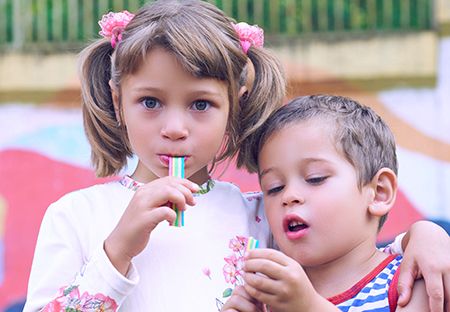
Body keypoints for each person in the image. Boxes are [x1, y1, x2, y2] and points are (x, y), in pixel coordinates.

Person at [23, 1, 449, 311]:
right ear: (119, 102)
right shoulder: (76, 216)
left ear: (236, 107)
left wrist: (426, 236)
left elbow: (353, 248)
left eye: (201, 104)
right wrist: (117, 251)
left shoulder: (264, 217)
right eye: (150, 102)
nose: (175, 127)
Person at [222, 95, 449, 312]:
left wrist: (309, 307)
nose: (288, 195)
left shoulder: (411, 280)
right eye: (274, 187)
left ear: (379, 192)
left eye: (315, 178)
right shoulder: (266, 300)